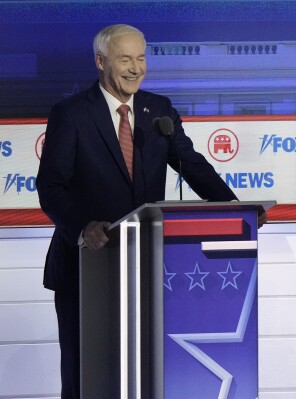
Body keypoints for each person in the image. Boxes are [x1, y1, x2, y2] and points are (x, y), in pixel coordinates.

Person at [36, 24, 266, 399]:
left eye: (141, 58)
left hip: (145, 267)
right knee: (85, 374)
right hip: (86, 264)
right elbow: (51, 187)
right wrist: (83, 227)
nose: (135, 68)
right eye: (125, 58)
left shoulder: (157, 111)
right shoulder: (71, 113)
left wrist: (236, 208)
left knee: (142, 372)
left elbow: (191, 165)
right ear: (100, 61)